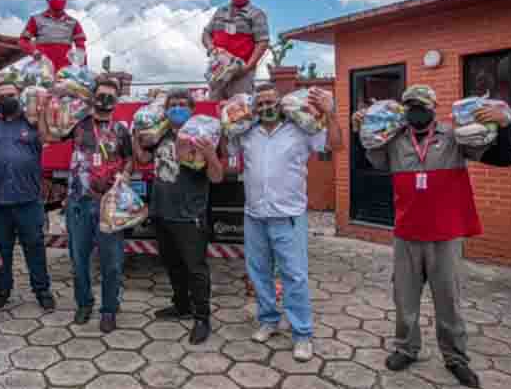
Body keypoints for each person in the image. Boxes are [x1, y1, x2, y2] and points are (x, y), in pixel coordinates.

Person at [351, 84, 511, 388]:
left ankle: (455, 358)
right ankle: (406, 349)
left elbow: (503, 159)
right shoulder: (393, 140)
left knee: (449, 300)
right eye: (411, 106)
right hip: (407, 233)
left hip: (445, 234)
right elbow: (364, 163)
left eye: (422, 106)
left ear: (434, 108)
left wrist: (504, 126)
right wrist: (358, 130)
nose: (417, 111)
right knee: (404, 298)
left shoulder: (455, 137)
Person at [237, 83, 341, 361]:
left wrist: (331, 114)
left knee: (294, 276)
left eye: (270, 102)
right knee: (259, 273)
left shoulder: (300, 129)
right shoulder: (248, 133)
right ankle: (269, 320)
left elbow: (335, 145)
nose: (266, 108)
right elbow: (229, 151)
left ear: (280, 103)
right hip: (255, 215)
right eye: (260, 104)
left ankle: (302, 334)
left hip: (288, 216)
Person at [133, 88, 224, 344]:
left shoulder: (202, 134)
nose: (177, 108)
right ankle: (181, 305)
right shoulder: (159, 134)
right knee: (172, 264)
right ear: (166, 110)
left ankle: (202, 318)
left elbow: (216, 177)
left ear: (192, 109)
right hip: (162, 211)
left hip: (189, 214)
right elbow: (143, 159)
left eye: (183, 104)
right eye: (173, 104)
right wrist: (135, 135)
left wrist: (210, 154)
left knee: (195, 268)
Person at [43, 77, 132, 332]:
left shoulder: (121, 130)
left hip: (109, 205)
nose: (105, 99)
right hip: (78, 203)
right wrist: (47, 106)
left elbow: (129, 160)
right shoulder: (78, 124)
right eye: (101, 94)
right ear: (93, 97)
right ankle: (84, 303)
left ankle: (109, 309)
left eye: (111, 96)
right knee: (79, 259)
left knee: (112, 262)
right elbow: (50, 135)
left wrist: (126, 175)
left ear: (116, 100)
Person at [0, 79, 56, 312]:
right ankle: (2, 291)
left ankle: (42, 291)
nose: (6, 99)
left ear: (19, 97)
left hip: (29, 200)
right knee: (1, 249)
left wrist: (42, 111)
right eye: (1, 96)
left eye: (11, 95)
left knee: (35, 247)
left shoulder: (31, 121)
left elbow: (47, 138)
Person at [202, 0, 270, 100]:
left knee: (239, 108)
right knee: (215, 107)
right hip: (218, 73)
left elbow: (262, 42)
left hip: (241, 75)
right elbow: (206, 33)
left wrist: (248, 67)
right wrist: (211, 48)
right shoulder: (220, 11)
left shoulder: (256, 14)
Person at [19, 0, 87, 71]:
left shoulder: (74, 23)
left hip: (65, 71)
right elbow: (23, 41)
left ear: (65, 0)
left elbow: (81, 48)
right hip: (42, 69)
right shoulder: (36, 20)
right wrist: (34, 52)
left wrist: (84, 69)